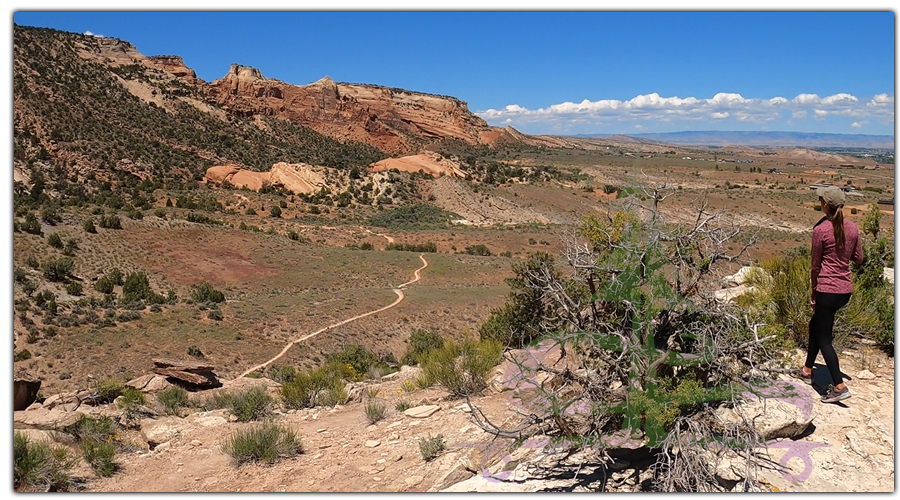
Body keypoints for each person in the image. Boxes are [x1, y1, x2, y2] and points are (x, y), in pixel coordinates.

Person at [797, 186, 864, 403]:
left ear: (826, 204)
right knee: (815, 325)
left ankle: (839, 386)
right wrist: (842, 254)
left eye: (821, 200)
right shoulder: (852, 228)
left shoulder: (821, 230)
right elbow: (859, 258)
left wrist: (814, 293)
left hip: (827, 289)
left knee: (824, 338)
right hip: (844, 290)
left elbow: (815, 266)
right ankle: (807, 369)